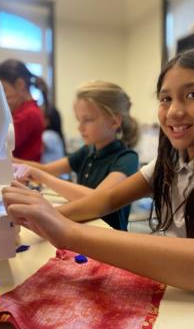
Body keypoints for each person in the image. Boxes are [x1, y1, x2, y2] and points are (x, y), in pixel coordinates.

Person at [2, 46, 194, 329]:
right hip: (187, 295)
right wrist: (41, 216)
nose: (174, 111)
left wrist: (66, 232)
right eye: (165, 99)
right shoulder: (171, 161)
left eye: (193, 94)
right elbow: (106, 199)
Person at [13, 81, 139, 230]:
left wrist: (41, 176)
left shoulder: (127, 158)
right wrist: (12, 161)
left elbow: (98, 200)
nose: (80, 127)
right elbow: (47, 169)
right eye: (79, 120)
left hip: (108, 236)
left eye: (88, 120)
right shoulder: (87, 150)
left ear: (114, 121)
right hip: (84, 229)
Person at [0, 59, 45, 162]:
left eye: (4, 90)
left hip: (22, 176)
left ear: (20, 84)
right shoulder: (24, 111)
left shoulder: (29, 114)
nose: (1, 96)